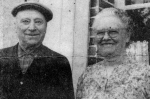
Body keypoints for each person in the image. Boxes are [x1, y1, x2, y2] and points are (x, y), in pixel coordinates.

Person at [0, 1, 75, 99]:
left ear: (46, 28)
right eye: (25, 21)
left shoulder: (59, 62)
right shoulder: (1, 56)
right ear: (15, 26)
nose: (32, 28)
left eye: (38, 22)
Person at [76, 8, 150, 99]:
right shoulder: (86, 75)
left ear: (127, 36)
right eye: (100, 33)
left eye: (113, 32)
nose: (106, 37)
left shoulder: (145, 75)